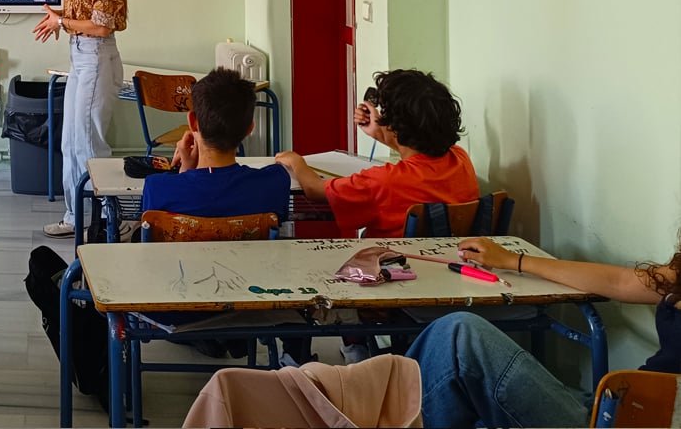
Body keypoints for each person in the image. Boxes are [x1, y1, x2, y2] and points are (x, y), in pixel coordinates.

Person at [407, 234, 681, 427]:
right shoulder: (676, 275)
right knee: (458, 367)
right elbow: (620, 281)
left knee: (459, 338)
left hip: (635, 419)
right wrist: (513, 260)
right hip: (618, 408)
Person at [276, 68, 479, 238]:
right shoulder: (460, 159)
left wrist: (296, 161)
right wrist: (380, 133)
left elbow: (315, 189)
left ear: (395, 127)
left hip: (387, 263)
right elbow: (417, 157)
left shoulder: (383, 182)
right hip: (443, 260)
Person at [34, 0, 127, 238]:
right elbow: (86, 15)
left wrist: (63, 22)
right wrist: (60, 17)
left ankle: (113, 221)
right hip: (82, 57)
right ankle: (75, 217)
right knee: (71, 143)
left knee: (89, 144)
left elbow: (103, 26)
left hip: (95, 59)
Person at [143, 67, 290, 220]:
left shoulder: (157, 188)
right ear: (250, 128)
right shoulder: (274, 182)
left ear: (193, 122)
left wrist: (185, 172)